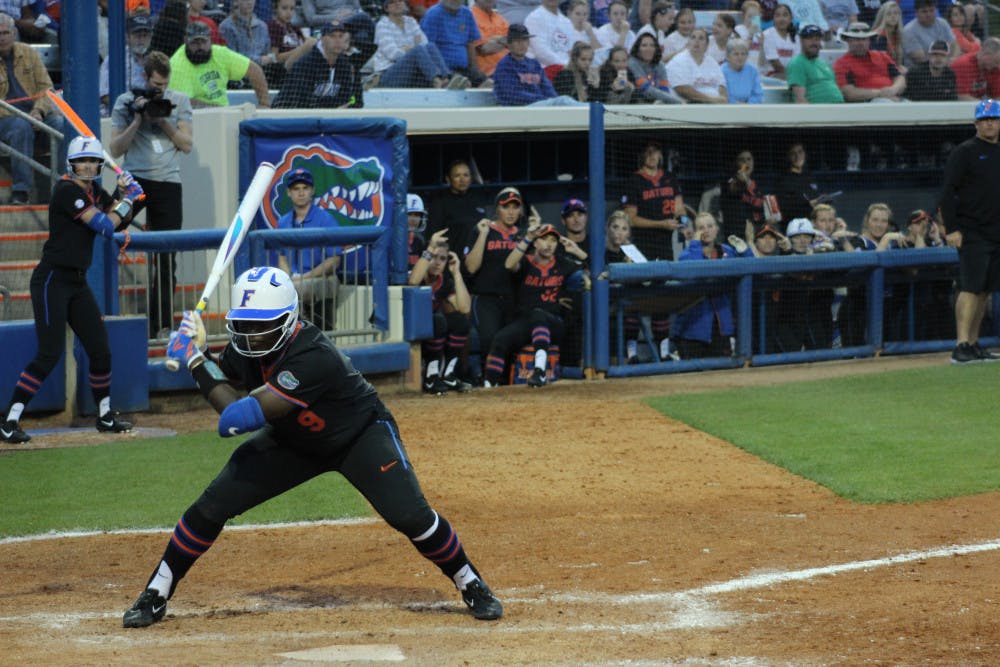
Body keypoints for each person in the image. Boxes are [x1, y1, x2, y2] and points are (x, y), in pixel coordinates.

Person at [120, 266, 503, 627]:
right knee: (210, 507)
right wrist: (202, 349)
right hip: (293, 441)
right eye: (245, 326)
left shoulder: (314, 356)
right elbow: (229, 379)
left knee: (412, 517)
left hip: (358, 436)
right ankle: (156, 591)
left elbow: (235, 419)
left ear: (289, 322)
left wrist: (193, 360)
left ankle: (470, 581)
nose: (253, 337)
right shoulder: (247, 346)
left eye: (264, 328)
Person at [0, 137, 144, 444]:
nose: (89, 165)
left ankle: (104, 416)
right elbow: (105, 225)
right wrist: (127, 201)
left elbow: (119, 222)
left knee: (100, 349)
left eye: (93, 160)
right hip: (52, 279)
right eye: (84, 161)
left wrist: (129, 195)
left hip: (77, 282)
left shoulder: (93, 191)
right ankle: (9, 420)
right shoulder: (67, 191)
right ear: (73, 164)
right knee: (49, 354)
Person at [109, 51, 194, 340]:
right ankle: (107, 313)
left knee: (166, 257)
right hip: (132, 180)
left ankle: (162, 324)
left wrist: (161, 120)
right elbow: (116, 149)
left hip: (168, 182)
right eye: (156, 85)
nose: (161, 89)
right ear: (145, 78)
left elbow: (186, 145)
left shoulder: (178, 101)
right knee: (106, 235)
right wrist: (137, 120)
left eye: (164, 84)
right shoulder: (125, 100)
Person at [482, 223, 584, 387]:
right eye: (543, 239)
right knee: (500, 339)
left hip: (554, 324)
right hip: (526, 322)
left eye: (553, 240)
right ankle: (489, 384)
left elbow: (598, 270)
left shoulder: (563, 263)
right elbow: (509, 265)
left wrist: (577, 251)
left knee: (539, 315)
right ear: (535, 243)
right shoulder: (526, 262)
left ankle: (539, 372)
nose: (549, 244)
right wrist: (527, 238)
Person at [938, 99, 1000, 363]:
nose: (989, 123)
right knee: (970, 286)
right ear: (976, 123)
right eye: (984, 119)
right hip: (971, 230)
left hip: (996, 231)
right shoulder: (965, 151)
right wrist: (951, 228)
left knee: (984, 290)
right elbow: (946, 192)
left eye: (993, 119)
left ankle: (973, 344)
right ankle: (961, 344)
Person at [464, 187, 529, 377]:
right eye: (506, 207)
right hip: (486, 298)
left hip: (514, 298)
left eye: (515, 207)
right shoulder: (483, 230)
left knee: (510, 343)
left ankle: (505, 390)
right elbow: (471, 267)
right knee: (490, 341)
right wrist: (483, 234)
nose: (511, 212)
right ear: (497, 209)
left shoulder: (524, 235)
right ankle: (487, 384)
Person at [672, 212, 754, 359]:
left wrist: (745, 252)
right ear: (696, 232)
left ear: (717, 229)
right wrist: (695, 244)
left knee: (722, 374)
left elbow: (753, 270)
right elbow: (696, 271)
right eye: (701, 227)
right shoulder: (687, 254)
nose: (706, 230)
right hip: (692, 328)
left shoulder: (727, 251)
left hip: (720, 327)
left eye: (710, 226)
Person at [0, 12, 62, 205]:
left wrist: (39, 111)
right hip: (6, 118)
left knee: (60, 124)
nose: (1, 37)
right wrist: (26, 117)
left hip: (35, 114)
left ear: (14, 33)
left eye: (5, 32)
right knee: (20, 126)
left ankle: (63, 186)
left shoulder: (29, 53)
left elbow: (47, 88)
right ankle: (22, 190)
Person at [274, 167, 342, 330]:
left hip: (321, 278)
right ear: (289, 193)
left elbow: (334, 260)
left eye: (305, 188)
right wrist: (289, 277)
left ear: (312, 190)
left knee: (301, 289)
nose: (301, 192)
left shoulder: (326, 219)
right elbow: (282, 256)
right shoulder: (283, 222)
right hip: (295, 279)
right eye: (296, 189)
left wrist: (305, 277)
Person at [409, 229, 473, 393]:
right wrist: (430, 248)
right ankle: (431, 377)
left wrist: (456, 273)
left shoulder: (444, 281)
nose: (438, 263)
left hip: (434, 330)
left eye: (443, 259)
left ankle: (448, 375)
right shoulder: (419, 271)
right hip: (410, 326)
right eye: (434, 257)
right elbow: (413, 281)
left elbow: (464, 308)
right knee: (438, 320)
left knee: (461, 321)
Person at [169, 21, 271, 108]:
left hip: (223, 114)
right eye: (195, 42)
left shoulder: (221, 54)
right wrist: (221, 110)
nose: (200, 47)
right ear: (186, 41)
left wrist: (265, 104)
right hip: (192, 120)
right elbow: (184, 103)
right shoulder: (176, 65)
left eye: (204, 42)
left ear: (210, 40)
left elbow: (254, 70)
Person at [272, 20, 364, 108]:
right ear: (323, 39)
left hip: (325, 117)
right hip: (287, 115)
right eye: (332, 36)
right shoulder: (305, 64)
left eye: (340, 36)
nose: (338, 40)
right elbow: (300, 102)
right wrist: (332, 110)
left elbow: (351, 100)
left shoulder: (345, 66)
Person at [369, 0, 460, 89]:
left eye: (400, 1)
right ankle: (436, 81)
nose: (397, 4)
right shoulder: (382, 25)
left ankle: (447, 79)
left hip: (412, 71)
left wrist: (406, 48)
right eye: (392, 2)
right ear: (386, 8)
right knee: (418, 50)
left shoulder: (411, 21)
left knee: (430, 46)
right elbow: (393, 54)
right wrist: (413, 48)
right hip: (388, 74)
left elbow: (425, 43)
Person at [620, 142, 686, 261]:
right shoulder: (634, 181)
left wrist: (684, 225)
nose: (652, 156)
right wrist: (660, 224)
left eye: (655, 152)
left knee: (667, 276)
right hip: (644, 241)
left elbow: (680, 209)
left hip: (667, 240)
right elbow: (631, 219)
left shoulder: (670, 177)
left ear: (660, 154)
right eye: (647, 152)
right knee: (644, 276)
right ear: (641, 156)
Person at [493, 23, 586, 105]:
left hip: (539, 106)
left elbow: (547, 88)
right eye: (517, 41)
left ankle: (592, 110)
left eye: (525, 40)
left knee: (561, 101)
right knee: (562, 101)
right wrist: (545, 100)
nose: (522, 44)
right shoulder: (504, 66)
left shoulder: (534, 64)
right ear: (509, 44)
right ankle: (590, 111)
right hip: (518, 109)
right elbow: (513, 96)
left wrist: (551, 100)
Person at [421, 0, 491, 87]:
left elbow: (470, 44)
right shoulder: (433, 14)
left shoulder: (467, 13)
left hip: (464, 68)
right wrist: (441, 73)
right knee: (464, 84)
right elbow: (428, 46)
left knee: (489, 84)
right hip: (444, 69)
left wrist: (476, 71)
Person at [833, 21, 906, 102]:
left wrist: (893, 89)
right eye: (856, 39)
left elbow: (899, 77)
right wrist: (880, 93)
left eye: (864, 39)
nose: (861, 43)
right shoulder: (842, 64)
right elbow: (849, 93)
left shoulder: (882, 56)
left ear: (869, 41)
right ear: (848, 41)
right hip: (867, 103)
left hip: (894, 97)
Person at [100, 13, 154, 111]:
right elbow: (105, 96)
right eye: (137, 35)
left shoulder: (154, 60)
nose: (142, 40)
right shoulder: (114, 59)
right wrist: (132, 105)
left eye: (145, 35)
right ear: (127, 36)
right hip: (118, 112)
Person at [220, 0, 280, 86]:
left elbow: (267, 53)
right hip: (240, 76)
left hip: (264, 73)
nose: (249, 2)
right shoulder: (226, 27)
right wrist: (259, 60)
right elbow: (232, 58)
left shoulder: (262, 26)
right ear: (236, 2)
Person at [666, 27, 728, 103]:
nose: (696, 41)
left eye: (701, 38)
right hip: (686, 106)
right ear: (688, 42)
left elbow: (722, 86)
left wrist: (722, 100)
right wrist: (711, 100)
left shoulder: (712, 62)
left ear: (707, 45)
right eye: (693, 37)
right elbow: (683, 90)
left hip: (712, 108)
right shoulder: (677, 61)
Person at [786, 23, 845, 103]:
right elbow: (800, 99)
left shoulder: (824, 64)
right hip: (818, 113)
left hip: (839, 110)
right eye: (810, 38)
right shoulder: (797, 63)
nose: (814, 42)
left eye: (817, 39)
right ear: (801, 40)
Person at [267, 0, 319, 87]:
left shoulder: (293, 27)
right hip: (281, 70)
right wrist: (299, 51)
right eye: (284, 8)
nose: (289, 12)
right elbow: (274, 58)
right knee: (311, 42)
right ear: (275, 9)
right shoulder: (273, 26)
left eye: (292, 9)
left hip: (299, 67)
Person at [719, 149, 769, 239]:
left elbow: (766, 207)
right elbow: (733, 188)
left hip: (757, 235)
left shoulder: (760, 185)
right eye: (742, 160)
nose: (746, 163)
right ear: (736, 163)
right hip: (736, 236)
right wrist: (742, 182)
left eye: (749, 159)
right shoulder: (729, 182)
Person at [523, 0, 574, 80]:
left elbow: (571, 50)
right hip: (542, 69)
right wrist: (565, 65)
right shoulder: (534, 18)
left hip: (566, 69)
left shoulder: (566, 22)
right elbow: (541, 52)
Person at [774, 142, 822, 223]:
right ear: (788, 157)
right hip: (795, 226)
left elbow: (817, 196)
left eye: (800, 152)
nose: (797, 157)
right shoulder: (783, 181)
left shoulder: (809, 176)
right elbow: (782, 209)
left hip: (814, 223)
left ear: (805, 153)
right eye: (793, 154)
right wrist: (807, 205)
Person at [627, 32, 682, 103]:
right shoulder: (632, 63)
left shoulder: (660, 65)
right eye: (644, 45)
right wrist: (677, 102)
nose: (648, 49)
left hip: (658, 102)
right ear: (638, 49)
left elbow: (665, 89)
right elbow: (646, 89)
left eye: (652, 45)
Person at [901, 0, 956, 69]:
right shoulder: (908, 31)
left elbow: (955, 45)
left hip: (945, 67)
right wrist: (947, 60)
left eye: (931, 10)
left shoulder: (943, 23)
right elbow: (921, 58)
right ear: (916, 13)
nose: (928, 14)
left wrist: (954, 58)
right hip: (920, 72)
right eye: (924, 11)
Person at [299, 0, 377, 43]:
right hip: (324, 27)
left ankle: (351, 70)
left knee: (362, 36)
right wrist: (335, 17)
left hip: (349, 21)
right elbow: (311, 19)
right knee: (364, 17)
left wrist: (351, 13)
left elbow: (357, 8)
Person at [471, 0, 509, 79]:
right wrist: (504, 41)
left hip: (510, 69)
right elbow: (485, 49)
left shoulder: (499, 18)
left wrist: (495, 40)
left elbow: (512, 42)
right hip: (488, 74)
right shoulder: (470, 16)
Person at [760, 3, 798, 79]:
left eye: (785, 15)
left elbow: (797, 63)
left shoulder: (796, 37)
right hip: (770, 76)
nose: (781, 19)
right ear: (773, 19)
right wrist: (792, 77)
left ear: (791, 18)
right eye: (778, 15)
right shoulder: (767, 35)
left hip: (790, 75)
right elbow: (776, 64)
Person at [871, 0, 905, 68]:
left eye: (896, 13)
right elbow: (880, 62)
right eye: (889, 14)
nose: (893, 16)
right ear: (883, 16)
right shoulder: (879, 36)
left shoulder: (898, 35)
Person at [405, 192, 428, 269]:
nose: (413, 219)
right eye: (409, 214)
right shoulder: (390, 239)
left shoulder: (420, 240)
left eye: (417, 215)